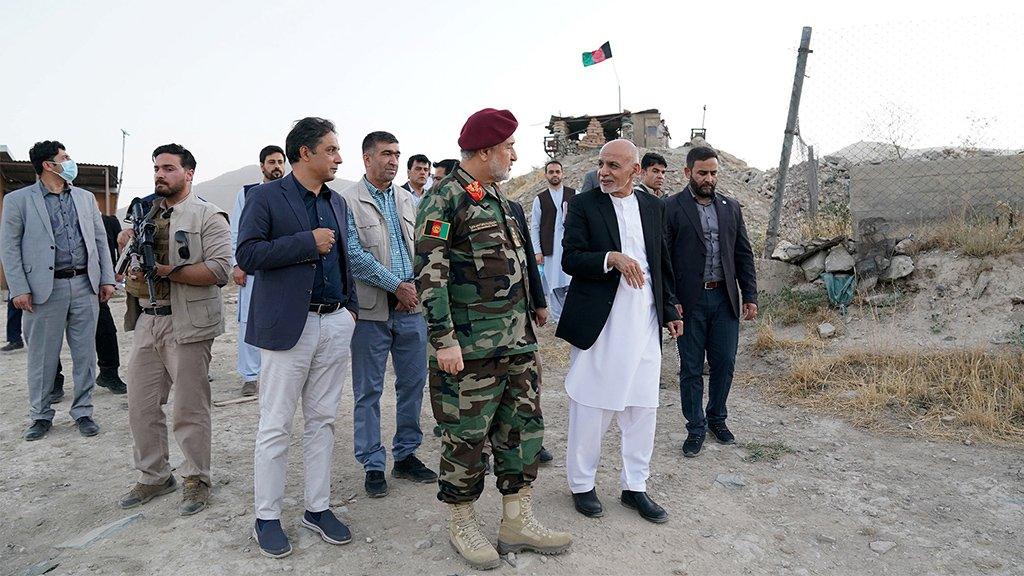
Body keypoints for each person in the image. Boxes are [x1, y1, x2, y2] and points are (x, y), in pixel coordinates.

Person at [416, 108, 570, 570]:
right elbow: (430, 274)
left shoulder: (500, 198)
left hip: (517, 342)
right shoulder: (444, 198)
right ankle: (461, 521)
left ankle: (516, 520)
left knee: (521, 430)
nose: (514, 155)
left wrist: (536, 305)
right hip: (469, 349)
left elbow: (519, 263)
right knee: (465, 437)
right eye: (507, 147)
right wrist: (444, 339)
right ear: (485, 151)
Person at [237, 117, 358, 559]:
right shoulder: (265, 197)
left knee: (323, 421)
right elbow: (247, 254)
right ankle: (266, 517)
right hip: (289, 327)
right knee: (275, 425)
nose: (338, 158)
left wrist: (350, 311)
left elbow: (344, 257)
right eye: (330, 150)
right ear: (304, 153)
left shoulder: (338, 202)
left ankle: (317, 507)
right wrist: (306, 242)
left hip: (334, 323)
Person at [557, 139, 683, 524]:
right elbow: (570, 257)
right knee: (592, 404)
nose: (604, 172)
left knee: (643, 406)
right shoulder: (584, 205)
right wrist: (610, 258)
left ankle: (635, 487)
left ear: (636, 171)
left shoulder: (653, 206)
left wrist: (670, 307)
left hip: (643, 321)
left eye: (614, 165)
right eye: (601, 164)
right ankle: (582, 484)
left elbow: (661, 261)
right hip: (603, 323)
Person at [116, 143, 232, 518]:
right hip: (147, 320)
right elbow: (125, 267)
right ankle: (154, 475)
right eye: (156, 169)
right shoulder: (145, 216)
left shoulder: (208, 216)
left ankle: (196, 478)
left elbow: (220, 271)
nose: (160, 175)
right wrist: (129, 257)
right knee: (141, 404)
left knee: (189, 407)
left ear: (188, 173)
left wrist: (167, 271)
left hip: (188, 322)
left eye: (168, 168)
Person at [0, 140, 116, 441]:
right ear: (48, 165)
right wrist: (18, 289)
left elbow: (99, 241)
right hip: (42, 291)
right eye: (65, 158)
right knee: (42, 357)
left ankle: (83, 412)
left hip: (83, 285)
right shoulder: (18, 200)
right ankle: (40, 415)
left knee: (85, 355)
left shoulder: (86, 198)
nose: (70, 162)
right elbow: (9, 248)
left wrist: (106, 279)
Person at [342, 131, 435, 498]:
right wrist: (395, 285)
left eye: (397, 154)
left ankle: (407, 454)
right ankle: (372, 463)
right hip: (372, 312)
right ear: (367, 159)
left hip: (411, 307)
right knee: (369, 390)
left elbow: (425, 246)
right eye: (386, 154)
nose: (394, 160)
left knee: (412, 385)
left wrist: (411, 288)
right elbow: (352, 254)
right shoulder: (347, 201)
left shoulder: (409, 200)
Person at [664, 146, 758, 457]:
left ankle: (718, 418)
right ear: (687, 172)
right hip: (689, 304)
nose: (708, 178)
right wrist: (670, 300)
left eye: (713, 173)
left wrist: (750, 296)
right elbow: (663, 260)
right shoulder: (671, 208)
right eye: (702, 172)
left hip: (724, 299)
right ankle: (696, 427)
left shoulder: (731, 208)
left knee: (725, 363)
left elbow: (743, 254)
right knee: (691, 368)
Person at [230, 144, 286, 397]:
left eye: (280, 162)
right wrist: (237, 263)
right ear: (262, 166)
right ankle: (250, 376)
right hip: (253, 268)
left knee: (281, 319)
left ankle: (278, 374)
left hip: (282, 268)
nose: (277, 166)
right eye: (272, 162)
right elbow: (236, 231)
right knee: (248, 321)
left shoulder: (291, 192)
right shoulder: (248, 193)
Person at [529, 160, 574, 324]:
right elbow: (535, 227)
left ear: (562, 173)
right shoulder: (539, 199)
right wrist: (537, 251)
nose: (555, 175)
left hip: (570, 247)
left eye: (557, 171)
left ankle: (572, 315)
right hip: (550, 248)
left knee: (571, 280)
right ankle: (558, 318)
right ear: (546, 175)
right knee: (554, 283)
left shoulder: (573, 193)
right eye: (551, 172)